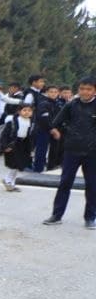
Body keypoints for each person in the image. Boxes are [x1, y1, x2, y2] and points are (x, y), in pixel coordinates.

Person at [42, 75, 96, 229]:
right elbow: (56, 123)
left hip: (92, 153)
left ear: (94, 91)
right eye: (82, 89)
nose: (85, 92)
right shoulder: (71, 105)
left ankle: (90, 217)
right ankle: (56, 215)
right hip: (72, 150)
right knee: (65, 183)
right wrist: (59, 132)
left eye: (89, 89)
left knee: (92, 185)